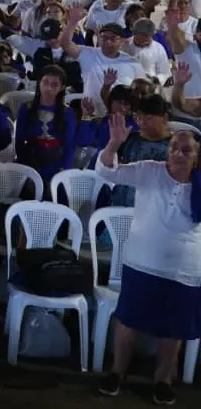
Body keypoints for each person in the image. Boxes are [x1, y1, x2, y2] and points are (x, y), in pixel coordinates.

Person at [95, 113, 201, 405]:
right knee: (128, 321)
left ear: (196, 157)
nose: (179, 154)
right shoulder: (149, 170)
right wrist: (114, 143)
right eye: (174, 149)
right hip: (142, 263)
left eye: (186, 150)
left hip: (185, 269)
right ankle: (117, 372)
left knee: (173, 329)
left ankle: (163, 380)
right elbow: (107, 172)